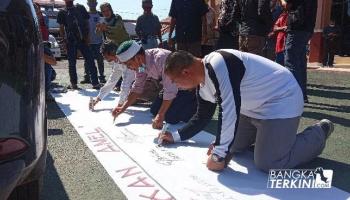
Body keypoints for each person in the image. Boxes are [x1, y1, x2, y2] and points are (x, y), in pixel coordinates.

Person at [158, 50, 334, 172]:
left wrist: (219, 154)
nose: (175, 85)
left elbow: (229, 110)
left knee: (268, 163)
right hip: (251, 109)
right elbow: (202, 117)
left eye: (175, 80)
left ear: (186, 72)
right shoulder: (202, 85)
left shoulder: (219, 63)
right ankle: (266, 136)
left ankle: (319, 132)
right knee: (234, 146)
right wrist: (176, 136)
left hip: (280, 102)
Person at [111, 40, 197, 129]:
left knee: (171, 118)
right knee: (154, 110)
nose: (129, 68)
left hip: (187, 87)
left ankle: (196, 103)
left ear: (138, 58)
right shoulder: (141, 65)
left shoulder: (161, 59)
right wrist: (122, 108)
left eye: (129, 64)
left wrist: (161, 115)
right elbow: (137, 87)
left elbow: (170, 90)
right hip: (170, 87)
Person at [57, 0, 101, 90]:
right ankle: (74, 84)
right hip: (70, 41)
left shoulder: (80, 8)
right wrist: (64, 42)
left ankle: (95, 83)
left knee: (90, 60)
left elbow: (86, 22)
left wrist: (88, 37)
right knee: (72, 63)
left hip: (83, 40)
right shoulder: (61, 12)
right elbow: (61, 28)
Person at [282, 0, 318, 103]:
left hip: (296, 27)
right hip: (307, 29)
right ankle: (302, 95)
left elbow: (286, 5)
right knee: (300, 64)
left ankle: (294, 96)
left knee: (291, 62)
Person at [90, 41, 135, 110]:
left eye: (105, 56)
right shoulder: (117, 60)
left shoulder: (127, 59)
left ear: (112, 53)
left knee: (130, 96)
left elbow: (126, 83)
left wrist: (119, 106)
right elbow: (112, 80)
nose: (105, 58)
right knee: (126, 97)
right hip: (136, 81)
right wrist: (98, 98)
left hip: (148, 80)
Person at [81, 0, 106, 84]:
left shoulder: (100, 14)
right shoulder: (85, 15)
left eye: (94, 2)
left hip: (99, 42)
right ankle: (87, 77)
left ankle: (102, 77)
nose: (92, 3)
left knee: (100, 60)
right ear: (87, 3)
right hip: (88, 42)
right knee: (87, 61)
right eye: (90, 2)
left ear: (96, 3)